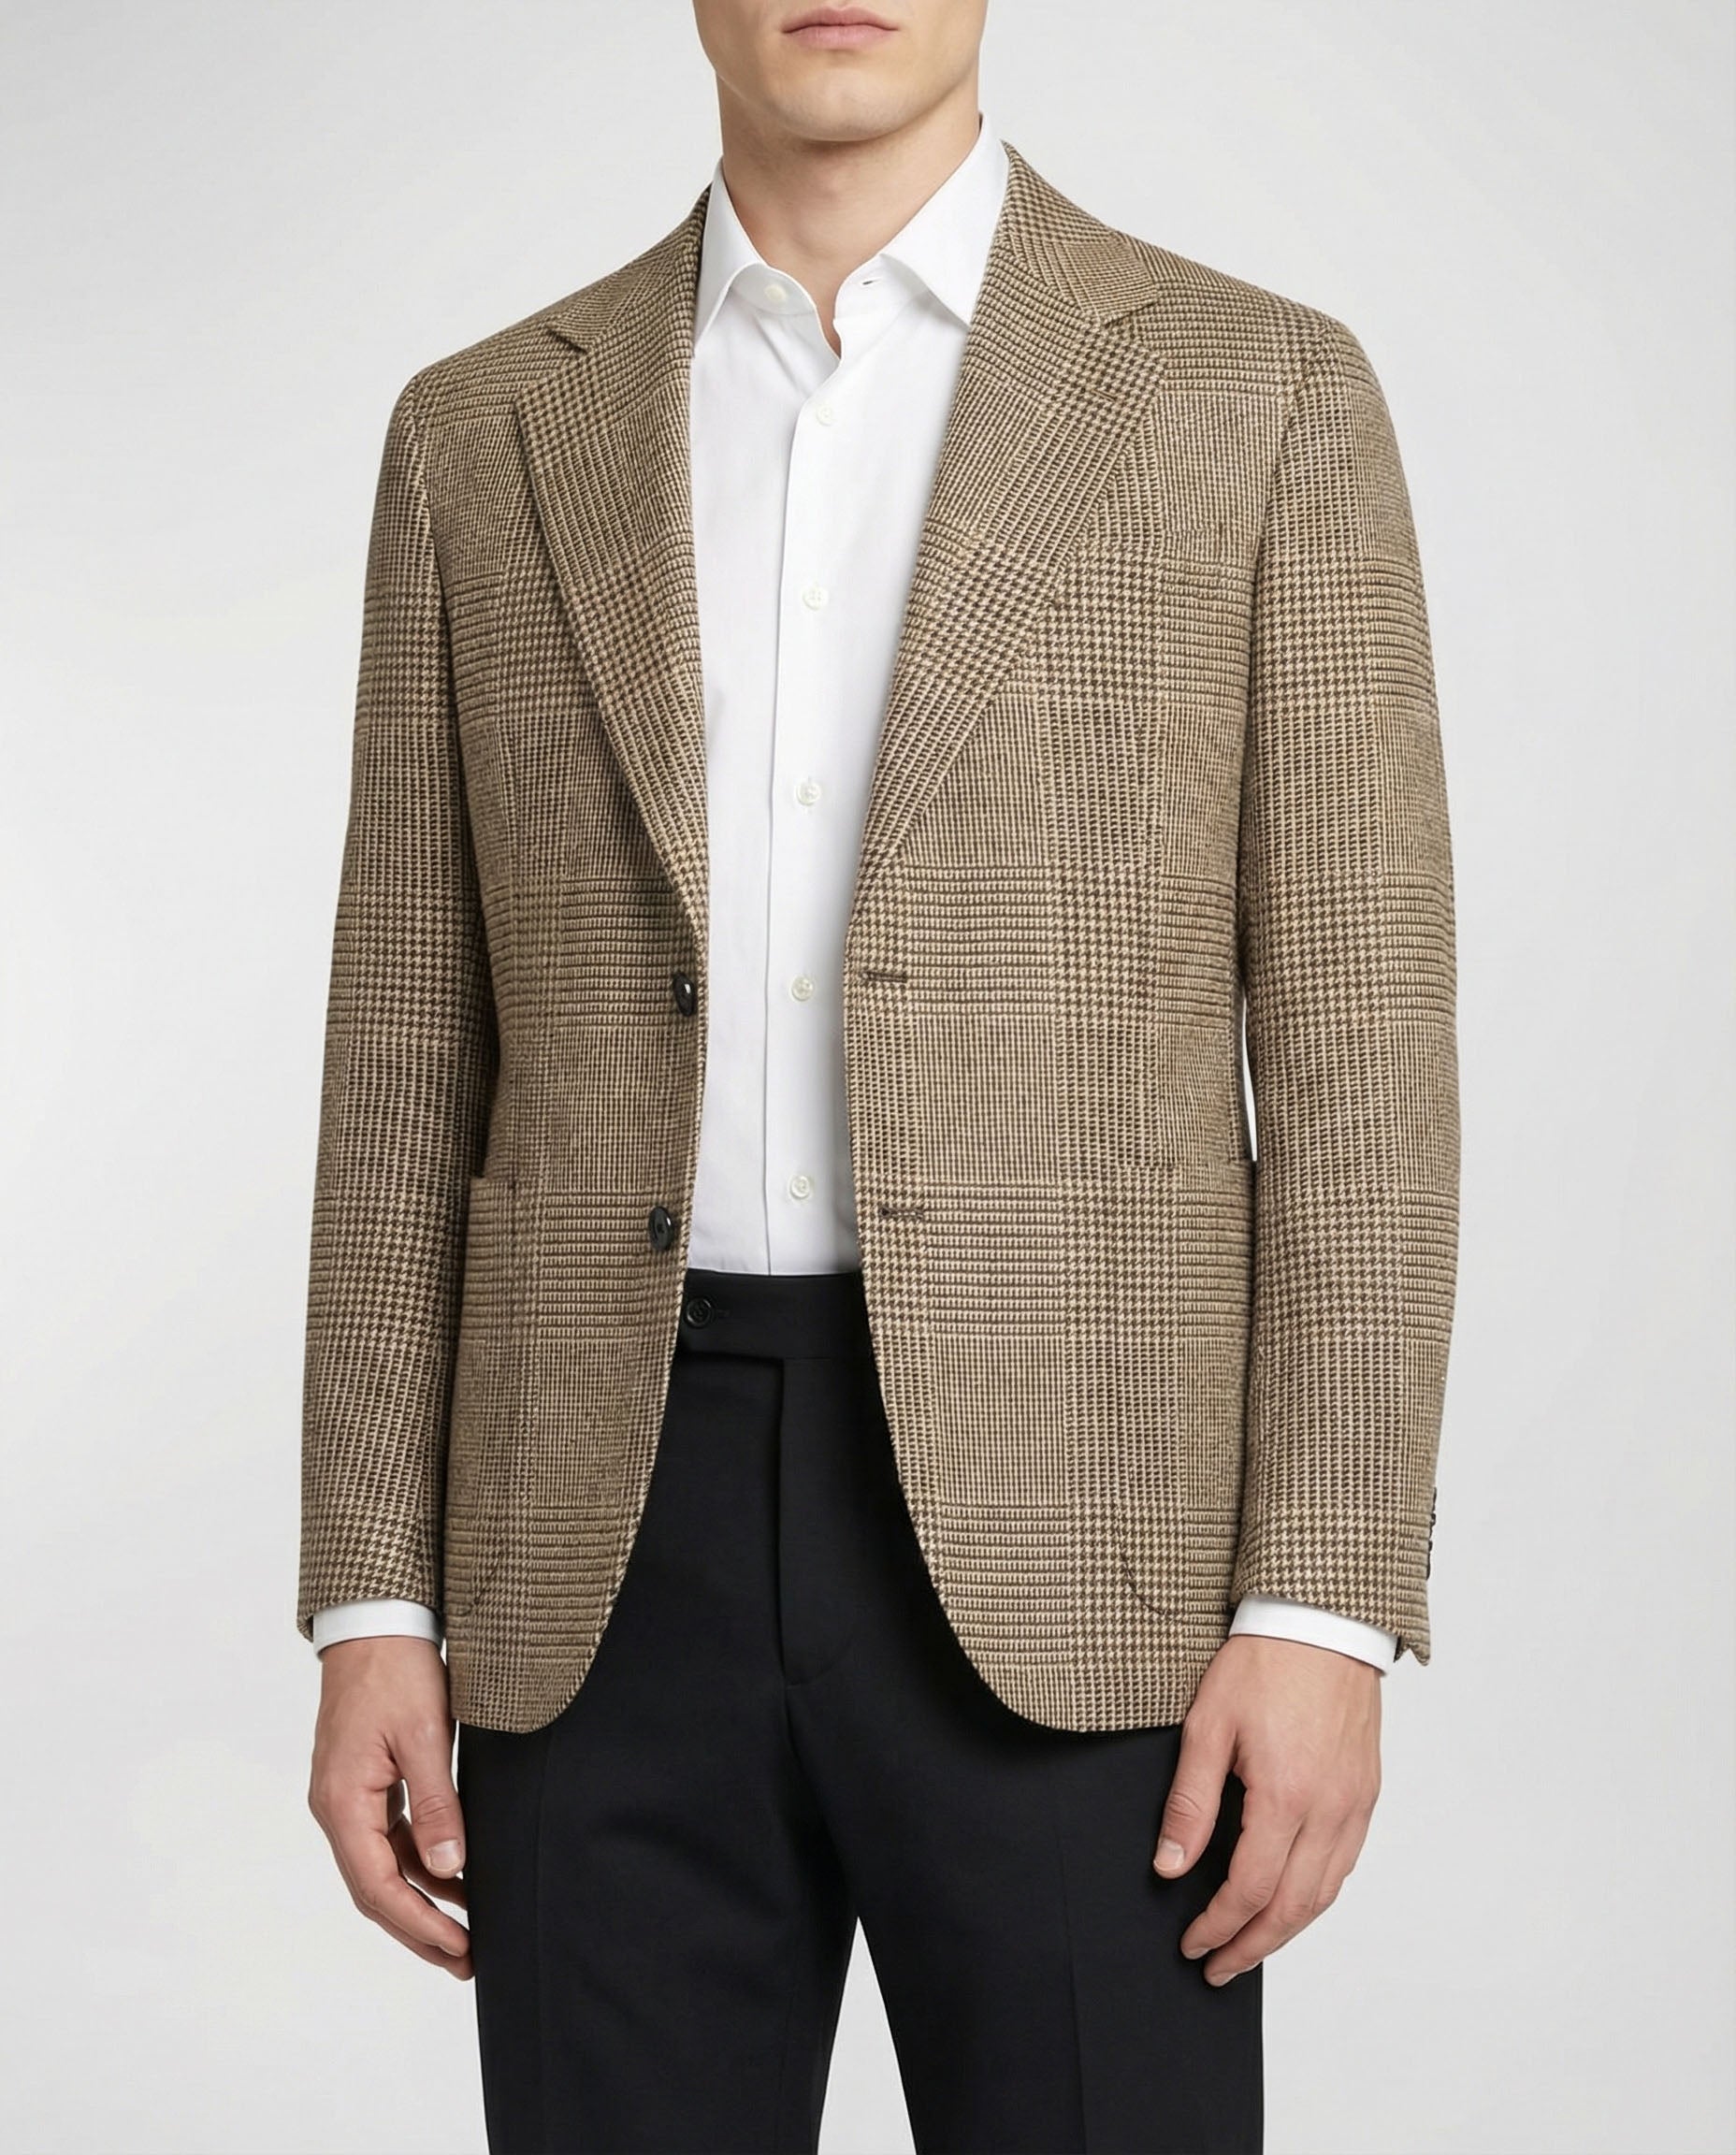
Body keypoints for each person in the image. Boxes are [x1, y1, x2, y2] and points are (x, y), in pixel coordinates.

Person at [298, 3, 1460, 2148]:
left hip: (1091, 1549)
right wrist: (372, 1594)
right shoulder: (482, 429)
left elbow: (1359, 1054)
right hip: (591, 1543)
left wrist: (1323, 1605)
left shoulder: (1257, 392)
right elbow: (402, 1051)